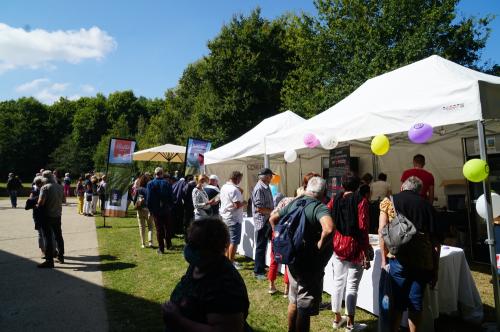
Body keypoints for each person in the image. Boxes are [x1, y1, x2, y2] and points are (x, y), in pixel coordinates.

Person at [269, 177, 334, 332]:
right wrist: (320, 245)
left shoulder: (295, 202)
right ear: (323, 192)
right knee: (304, 308)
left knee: (294, 300)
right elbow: (329, 229)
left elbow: (273, 218)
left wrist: (277, 234)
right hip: (310, 264)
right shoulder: (319, 207)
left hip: (292, 259)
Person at [162, 217, 250, 332]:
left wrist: (179, 320)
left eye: (194, 244)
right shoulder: (199, 264)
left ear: (212, 248)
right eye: (188, 241)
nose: (188, 248)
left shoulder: (226, 285)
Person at [378, 176, 441, 332]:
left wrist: (383, 260)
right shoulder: (427, 206)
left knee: (398, 302)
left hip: (398, 257)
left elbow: (382, 232)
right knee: (416, 303)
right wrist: (435, 269)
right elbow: (435, 243)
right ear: (420, 191)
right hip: (422, 260)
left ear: (402, 187)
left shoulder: (389, 202)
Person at [328, 176, 369, 331]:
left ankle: (337, 319)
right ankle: (350, 324)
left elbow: (328, 213)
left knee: (338, 282)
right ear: (358, 185)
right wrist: (365, 250)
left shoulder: (335, 198)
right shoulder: (361, 201)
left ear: (342, 185)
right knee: (352, 285)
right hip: (355, 245)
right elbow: (363, 227)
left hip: (338, 244)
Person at [268, 195, 296, 296]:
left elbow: (272, 217)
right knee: (288, 261)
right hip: (288, 233)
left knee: (274, 259)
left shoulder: (283, 202)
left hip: (277, 233)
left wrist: (274, 230)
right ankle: (286, 289)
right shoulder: (295, 203)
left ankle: (271, 285)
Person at [37, 170, 65, 268]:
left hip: (48, 216)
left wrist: (36, 204)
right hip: (58, 215)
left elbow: (41, 202)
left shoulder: (45, 187)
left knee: (48, 237)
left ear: (44, 179)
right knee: (58, 236)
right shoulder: (60, 187)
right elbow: (64, 200)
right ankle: (61, 256)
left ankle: (49, 261)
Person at [251, 168, 275, 280]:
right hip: (262, 221)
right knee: (261, 246)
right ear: (265, 176)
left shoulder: (264, 186)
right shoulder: (259, 188)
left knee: (263, 245)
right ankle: (258, 271)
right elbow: (259, 208)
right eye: (271, 176)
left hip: (265, 220)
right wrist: (273, 212)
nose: (272, 178)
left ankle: (260, 267)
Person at [219, 171, 245, 269]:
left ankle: (227, 261)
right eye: (240, 179)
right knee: (234, 241)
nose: (240, 181)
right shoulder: (234, 190)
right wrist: (244, 203)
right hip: (234, 218)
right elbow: (237, 205)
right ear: (236, 178)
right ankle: (231, 262)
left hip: (226, 216)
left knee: (228, 241)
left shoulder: (224, 187)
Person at [147, 167, 174, 254]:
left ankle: (161, 248)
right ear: (162, 173)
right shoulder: (167, 183)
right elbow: (171, 197)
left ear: (155, 174)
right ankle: (168, 244)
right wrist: (170, 207)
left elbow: (149, 199)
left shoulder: (150, 184)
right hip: (166, 209)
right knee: (167, 227)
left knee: (159, 229)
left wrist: (150, 210)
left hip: (156, 210)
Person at [133, 174, 154, 248]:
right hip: (148, 210)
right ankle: (150, 242)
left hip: (140, 210)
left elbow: (134, 200)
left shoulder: (138, 190)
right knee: (150, 226)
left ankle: (143, 243)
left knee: (141, 227)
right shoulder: (150, 190)